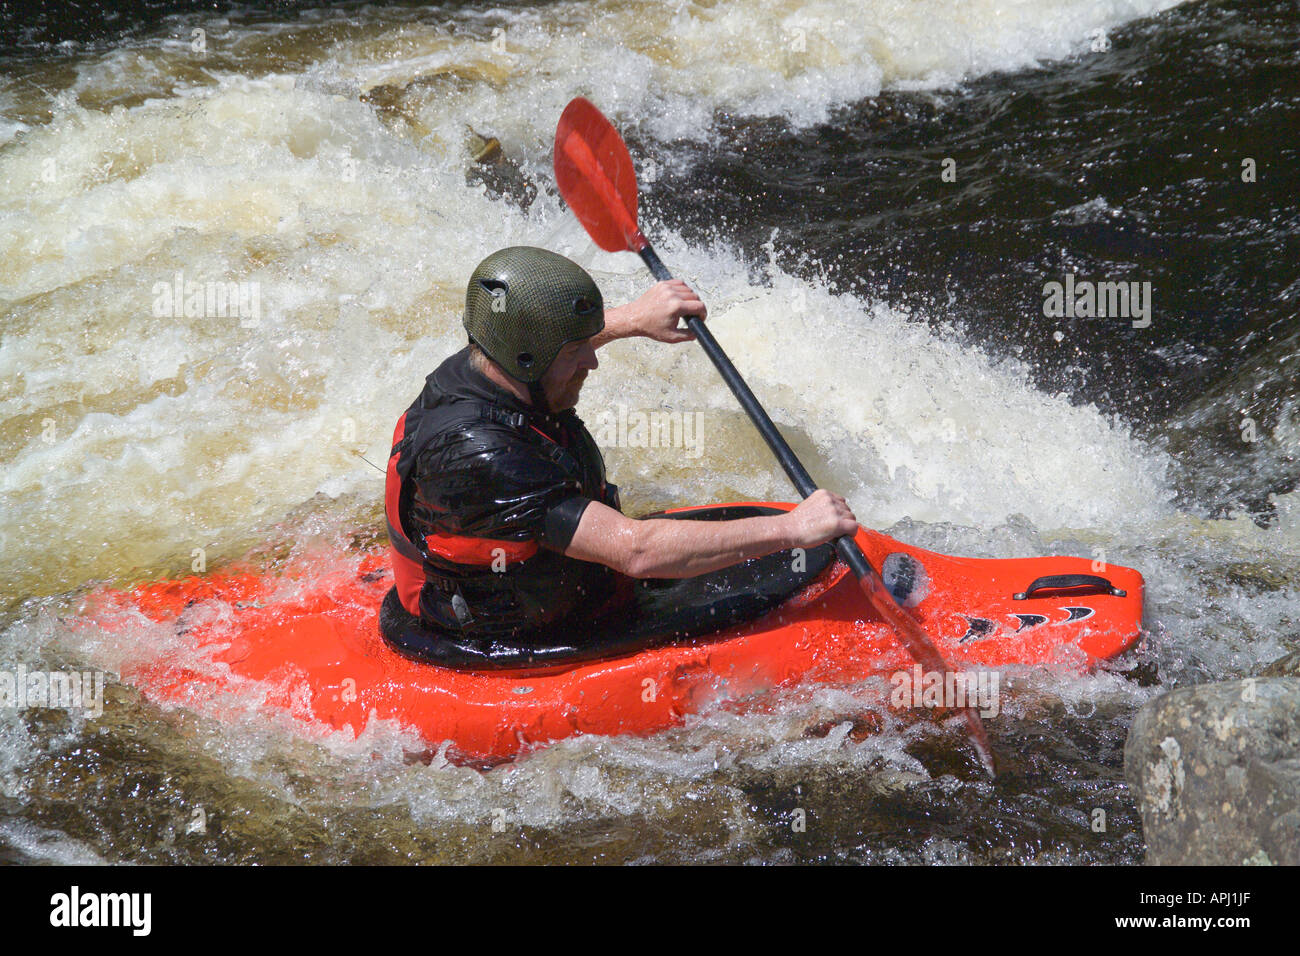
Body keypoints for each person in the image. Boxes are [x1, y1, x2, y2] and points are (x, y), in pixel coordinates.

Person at [383, 246, 857, 644]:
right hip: (505, 627)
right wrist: (795, 530)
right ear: (527, 359)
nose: (593, 360)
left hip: (551, 575)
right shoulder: (482, 456)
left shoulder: (489, 358)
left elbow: (548, 339)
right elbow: (637, 553)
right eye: (576, 353)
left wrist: (635, 318)